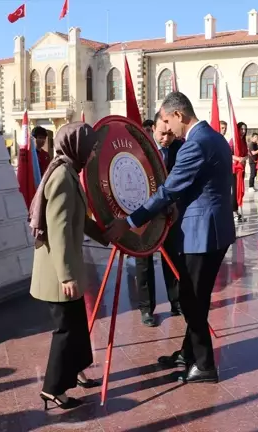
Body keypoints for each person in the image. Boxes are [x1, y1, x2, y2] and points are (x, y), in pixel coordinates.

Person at [105, 92, 235, 384]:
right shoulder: (214, 138)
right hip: (216, 229)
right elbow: (200, 185)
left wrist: (128, 222)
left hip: (202, 234)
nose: (166, 128)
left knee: (191, 301)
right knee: (195, 297)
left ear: (178, 115)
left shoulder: (195, 144)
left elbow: (167, 192)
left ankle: (204, 365)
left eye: (166, 120)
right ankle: (187, 354)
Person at [29, 122, 107, 410]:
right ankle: (53, 389)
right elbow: (58, 229)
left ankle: (77, 369)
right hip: (58, 272)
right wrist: (65, 276)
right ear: (77, 146)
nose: (94, 150)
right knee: (66, 330)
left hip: (67, 266)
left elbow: (81, 220)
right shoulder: (62, 175)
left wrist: (106, 234)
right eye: (91, 145)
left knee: (76, 323)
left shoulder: (69, 170)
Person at [136, 112, 182, 327]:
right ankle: (146, 309)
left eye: (170, 134)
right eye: (162, 134)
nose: (166, 139)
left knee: (172, 257)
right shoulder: (140, 150)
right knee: (143, 263)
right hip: (145, 213)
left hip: (169, 214)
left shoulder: (180, 149)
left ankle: (177, 301)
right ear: (153, 129)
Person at [230, 122, 248, 221]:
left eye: (245, 129)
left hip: (242, 169)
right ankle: (234, 211)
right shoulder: (234, 141)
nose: (243, 131)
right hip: (234, 169)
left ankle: (237, 211)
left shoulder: (244, 141)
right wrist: (238, 158)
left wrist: (244, 158)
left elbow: (246, 154)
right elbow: (229, 153)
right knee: (235, 191)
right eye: (241, 129)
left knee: (240, 190)